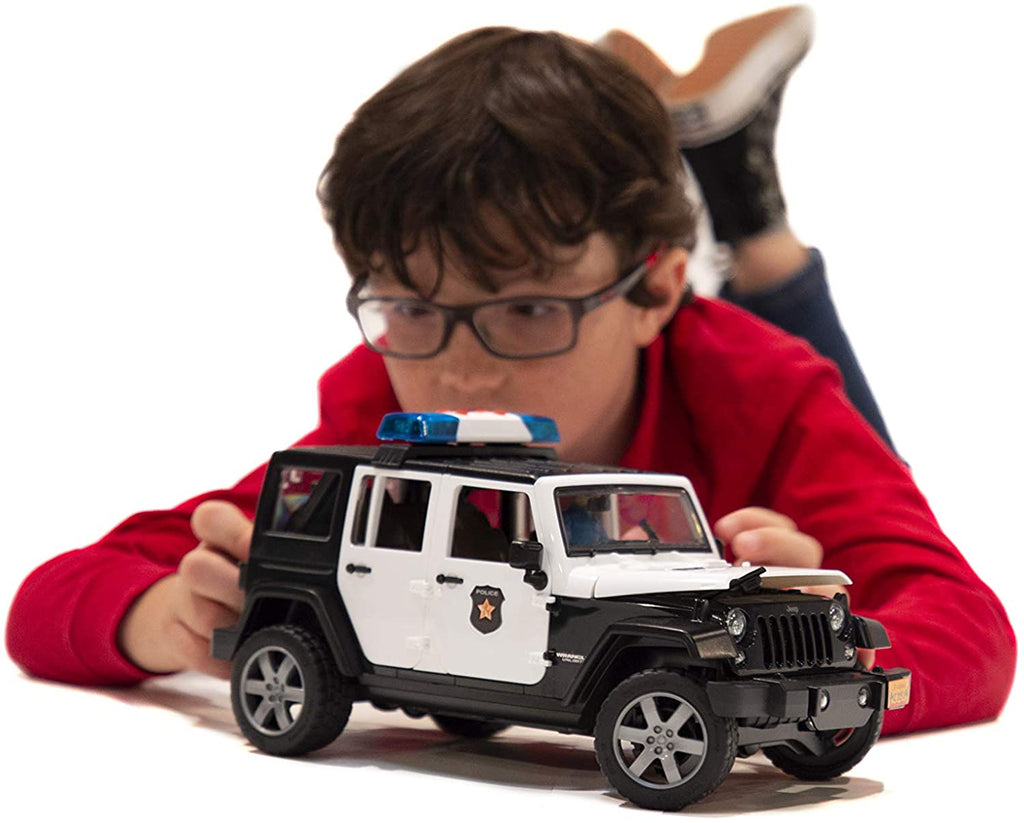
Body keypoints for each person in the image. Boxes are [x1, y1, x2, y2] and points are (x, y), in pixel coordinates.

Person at [5, 8, 1014, 738]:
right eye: (410, 307)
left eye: (528, 308)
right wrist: (158, 619)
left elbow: (971, 632)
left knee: (782, 303)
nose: (456, 368)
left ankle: (740, 202)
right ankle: (695, 142)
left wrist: (822, 642)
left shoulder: (762, 385)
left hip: (741, 362)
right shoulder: (374, 413)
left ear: (654, 292)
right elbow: (48, 599)